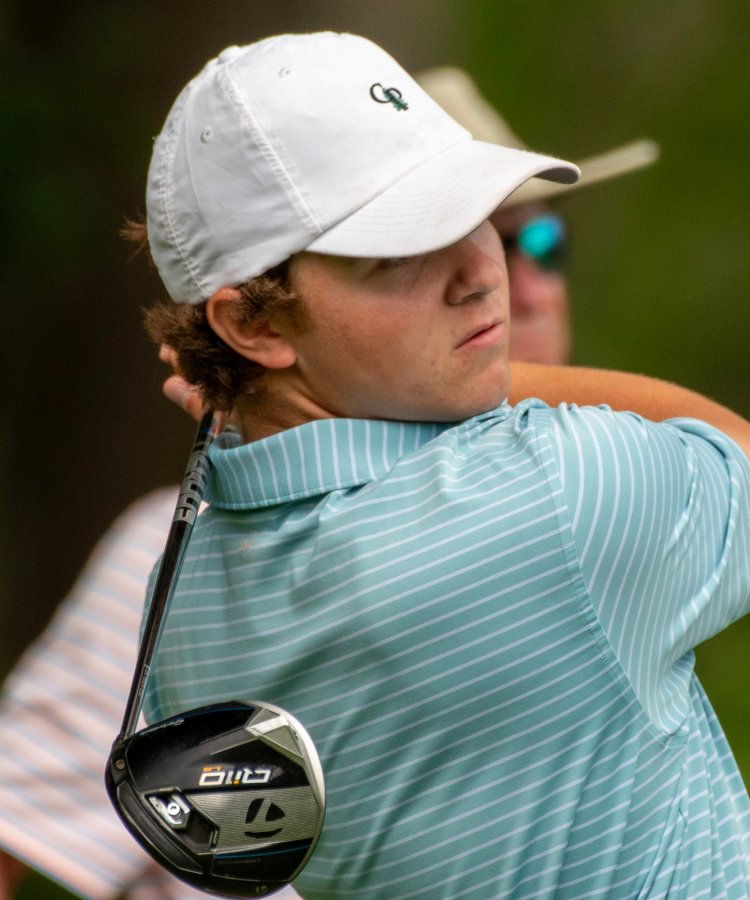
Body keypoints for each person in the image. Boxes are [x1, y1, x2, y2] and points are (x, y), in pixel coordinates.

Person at [133, 30, 750, 897]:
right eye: (398, 251)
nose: (483, 273)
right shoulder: (556, 492)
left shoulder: (177, 603)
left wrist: (255, 398)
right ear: (255, 324)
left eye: (473, 209)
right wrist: (503, 369)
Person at [0, 60, 658, 900]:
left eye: (540, 242)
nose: (507, 280)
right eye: (413, 250)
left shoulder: (591, 496)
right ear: (263, 321)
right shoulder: (171, 559)